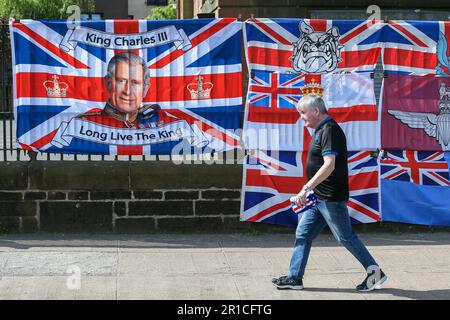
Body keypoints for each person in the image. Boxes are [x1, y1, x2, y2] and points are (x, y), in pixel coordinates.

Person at [272, 94, 387, 292]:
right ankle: (294, 277)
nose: (301, 117)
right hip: (318, 197)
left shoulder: (330, 130)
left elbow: (329, 165)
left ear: (316, 111)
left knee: (345, 237)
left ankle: (375, 273)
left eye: (303, 113)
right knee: (303, 234)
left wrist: (306, 187)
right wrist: (311, 190)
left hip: (331, 198)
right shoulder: (321, 130)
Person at [77, 52, 164, 129]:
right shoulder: (82, 123)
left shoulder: (162, 120)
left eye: (135, 83)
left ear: (145, 89)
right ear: (108, 83)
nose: (127, 91)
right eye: (121, 81)